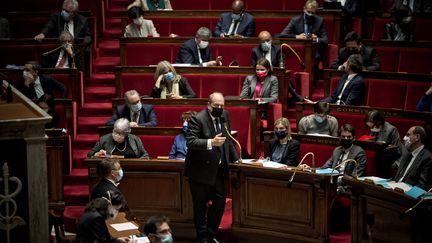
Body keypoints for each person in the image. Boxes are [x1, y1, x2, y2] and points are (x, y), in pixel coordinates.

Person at [185, 92, 239, 242]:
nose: (220, 108)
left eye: (222, 105)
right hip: (200, 171)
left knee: (220, 203)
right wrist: (210, 142)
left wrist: (236, 161)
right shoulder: (198, 119)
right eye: (216, 106)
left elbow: (228, 140)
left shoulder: (225, 115)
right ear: (208, 105)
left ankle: (212, 234)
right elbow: (190, 142)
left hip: (218, 171)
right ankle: (202, 237)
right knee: (200, 206)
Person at [393, 126, 432, 190]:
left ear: (417, 137)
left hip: (408, 196)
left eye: (408, 135)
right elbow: (398, 177)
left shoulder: (427, 158)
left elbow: (422, 186)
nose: (404, 138)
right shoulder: (407, 154)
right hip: (396, 189)